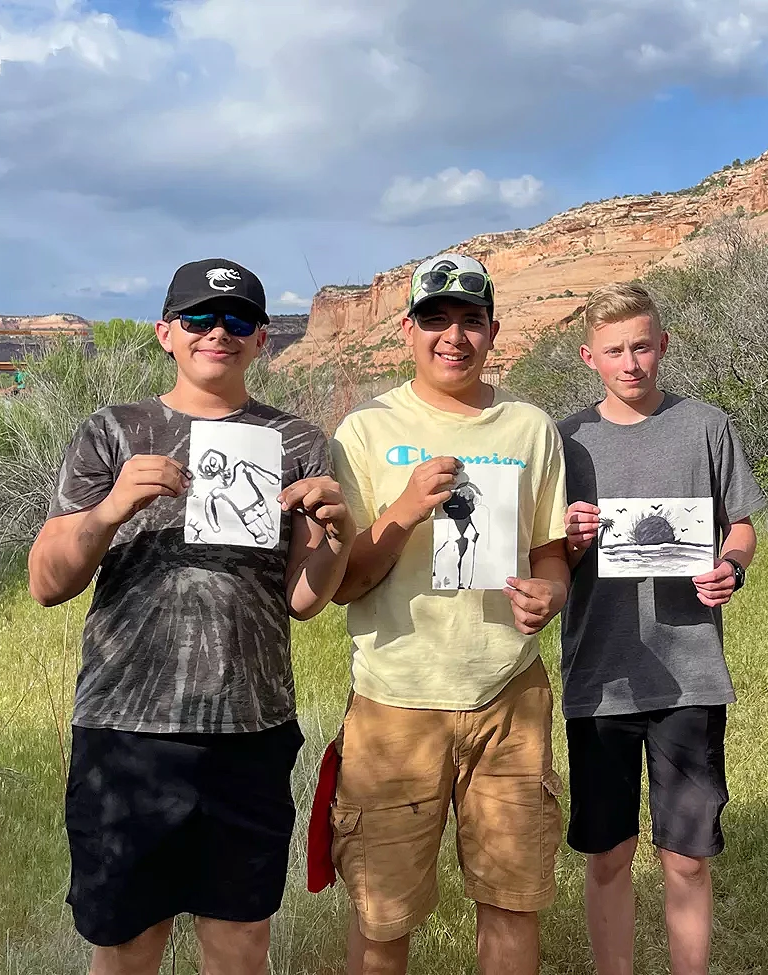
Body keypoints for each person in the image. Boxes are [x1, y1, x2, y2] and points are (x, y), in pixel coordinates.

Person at [27, 258, 356, 975]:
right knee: (128, 944)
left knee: (240, 944)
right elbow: (46, 582)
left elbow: (302, 600)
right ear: (165, 332)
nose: (218, 332)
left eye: (238, 319)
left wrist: (338, 535)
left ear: (262, 338)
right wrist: (111, 508)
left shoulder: (298, 442)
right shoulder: (113, 431)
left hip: (251, 731)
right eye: (200, 318)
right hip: (127, 729)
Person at [328, 253, 569, 975]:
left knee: (512, 900)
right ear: (407, 329)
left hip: (508, 697)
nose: (453, 336)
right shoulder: (365, 430)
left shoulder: (529, 428)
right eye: (435, 319)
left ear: (493, 330)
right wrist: (404, 509)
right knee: (383, 913)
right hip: (395, 701)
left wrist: (551, 593)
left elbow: (549, 553)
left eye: (470, 320)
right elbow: (345, 583)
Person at [556, 283, 766, 975]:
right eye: (615, 350)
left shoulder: (707, 426)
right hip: (600, 677)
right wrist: (568, 539)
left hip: (690, 673)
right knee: (608, 855)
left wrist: (731, 565)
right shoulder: (565, 441)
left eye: (642, 346)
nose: (630, 362)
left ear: (664, 345)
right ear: (589, 357)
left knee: (687, 857)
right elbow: (542, 556)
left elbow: (741, 526)